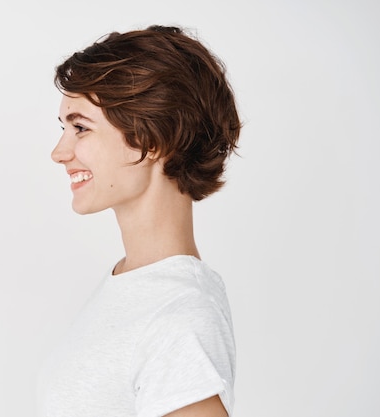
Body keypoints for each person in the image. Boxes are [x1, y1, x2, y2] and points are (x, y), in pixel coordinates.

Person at [38, 25, 241, 417]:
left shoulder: (180, 315)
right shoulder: (131, 285)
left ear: (150, 140)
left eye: (80, 128)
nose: (59, 152)